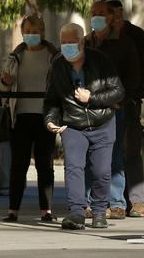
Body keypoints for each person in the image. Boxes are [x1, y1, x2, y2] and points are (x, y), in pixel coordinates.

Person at [43, 23, 124, 230]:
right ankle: (76, 212)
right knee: (73, 168)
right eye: (64, 43)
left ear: (82, 42)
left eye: (72, 42)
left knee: (102, 171)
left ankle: (99, 212)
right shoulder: (57, 65)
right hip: (73, 124)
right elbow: (52, 99)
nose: (68, 46)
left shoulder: (100, 60)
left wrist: (92, 98)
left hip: (102, 122)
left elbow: (118, 92)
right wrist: (50, 120)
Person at [84, 0, 140, 220]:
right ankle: (91, 202)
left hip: (115, 108)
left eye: (101, 13)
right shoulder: (86, 42)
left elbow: (133, 76)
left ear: (111, 17)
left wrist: (121, 100)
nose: (96, 17)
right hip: (89, 108)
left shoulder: (124, 43)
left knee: (114, 156)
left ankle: (117, 203)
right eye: (93, 13)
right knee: (91, 156)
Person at [0, 15, 58, 222]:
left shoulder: (54, 55)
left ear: (42, 31)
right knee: (18, 165)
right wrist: (6, 82)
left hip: (46, 116)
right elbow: (3, 86)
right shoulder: (16, 56)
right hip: (21, 116)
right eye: (28, 31)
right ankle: (13, 210)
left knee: (45, 165)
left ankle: (46, 210)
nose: (31, 34)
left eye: (35, 30)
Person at [102, 0, 144, 217]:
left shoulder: (135, 36)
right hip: (104, 102)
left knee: (130, 148)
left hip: (128, 100)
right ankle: (114, 200)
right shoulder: (99, 38)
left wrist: (130, 96)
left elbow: (142, 68)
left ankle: (137, 200)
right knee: (110, 151)